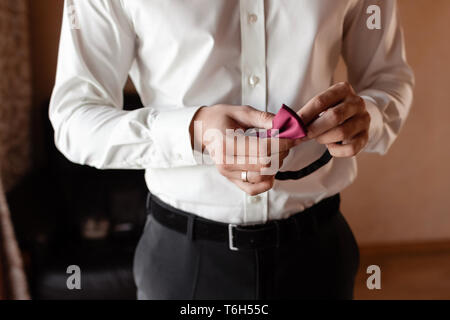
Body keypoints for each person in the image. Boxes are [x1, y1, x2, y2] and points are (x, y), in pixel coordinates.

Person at [50, 0, 414, 299]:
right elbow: (74, 119)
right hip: (185, 262)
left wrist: (370, 118)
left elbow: (388, 79)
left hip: (317, 253)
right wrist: (193, 131)